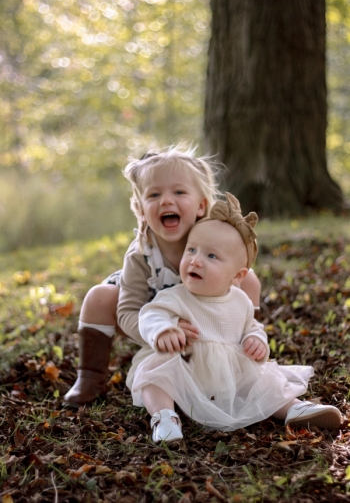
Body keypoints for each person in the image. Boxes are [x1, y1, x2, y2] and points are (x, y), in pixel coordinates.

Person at [129, 193, 342, 443]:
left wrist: (256, 339)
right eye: (192, 250)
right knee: (155, 375)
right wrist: (163, 330)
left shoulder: (239, 300)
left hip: (228, 374)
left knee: (263, 380)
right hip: (186, 369)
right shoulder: (176, 296)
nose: (196, 260)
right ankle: (164, 417)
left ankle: (292, 408)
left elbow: (252, 325)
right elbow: (151, 314)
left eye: (211, 256)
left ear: (237, 275)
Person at [63, 146, 261, 408]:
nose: (166, 201)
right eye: (154, 194)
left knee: (248, 280)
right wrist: (160, 330)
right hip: (151, 315)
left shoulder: (217, 238)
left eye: (179, 192)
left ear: (201, 205)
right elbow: (127, 312)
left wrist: (251, 335)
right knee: (99, 297)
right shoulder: (141, 253)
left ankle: (245, 351)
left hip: (205, 312)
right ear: (141, 209)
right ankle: (90, 379)